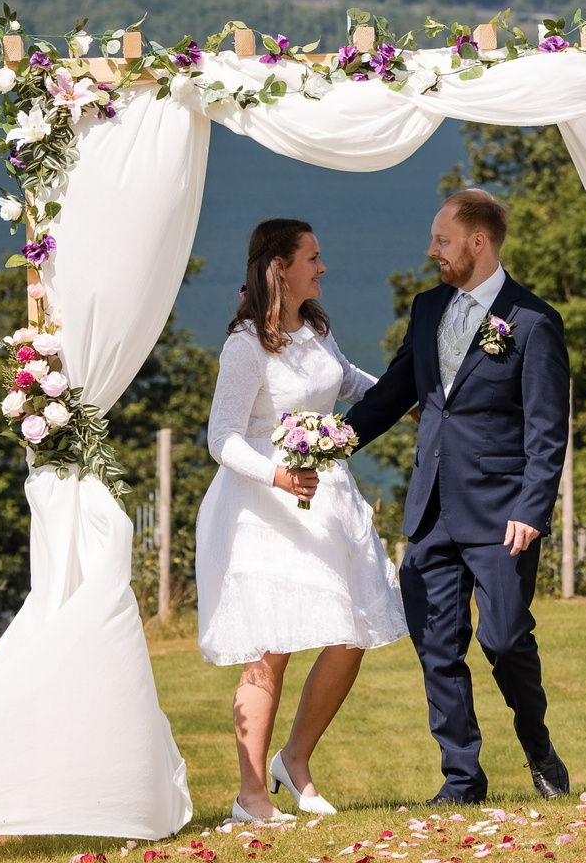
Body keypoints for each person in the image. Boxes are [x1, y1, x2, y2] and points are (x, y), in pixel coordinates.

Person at [346, 188, 572, 805]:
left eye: (442, 241)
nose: (432, 251)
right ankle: (462, 779)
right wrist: (330, 444)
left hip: (503, 514)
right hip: (430, 510)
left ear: (478, 242)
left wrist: (532, 509)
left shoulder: (534, 322)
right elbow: (394, 393)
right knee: (436, 645)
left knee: (504, 639)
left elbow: (547, 429)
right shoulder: (427, 309)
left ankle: (538, 747)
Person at [195, 218, 408, 822]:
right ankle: (251, 796)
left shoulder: (316, 329)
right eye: (312, 258)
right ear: (279, 268)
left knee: (352, 634)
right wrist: (279, 476)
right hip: (264, 509)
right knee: (271, 648)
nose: (322, 267)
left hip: (327, 500)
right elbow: (222, 438)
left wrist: (408, 400)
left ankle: (295, 759)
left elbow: (348, 383)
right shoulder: (245, 346)